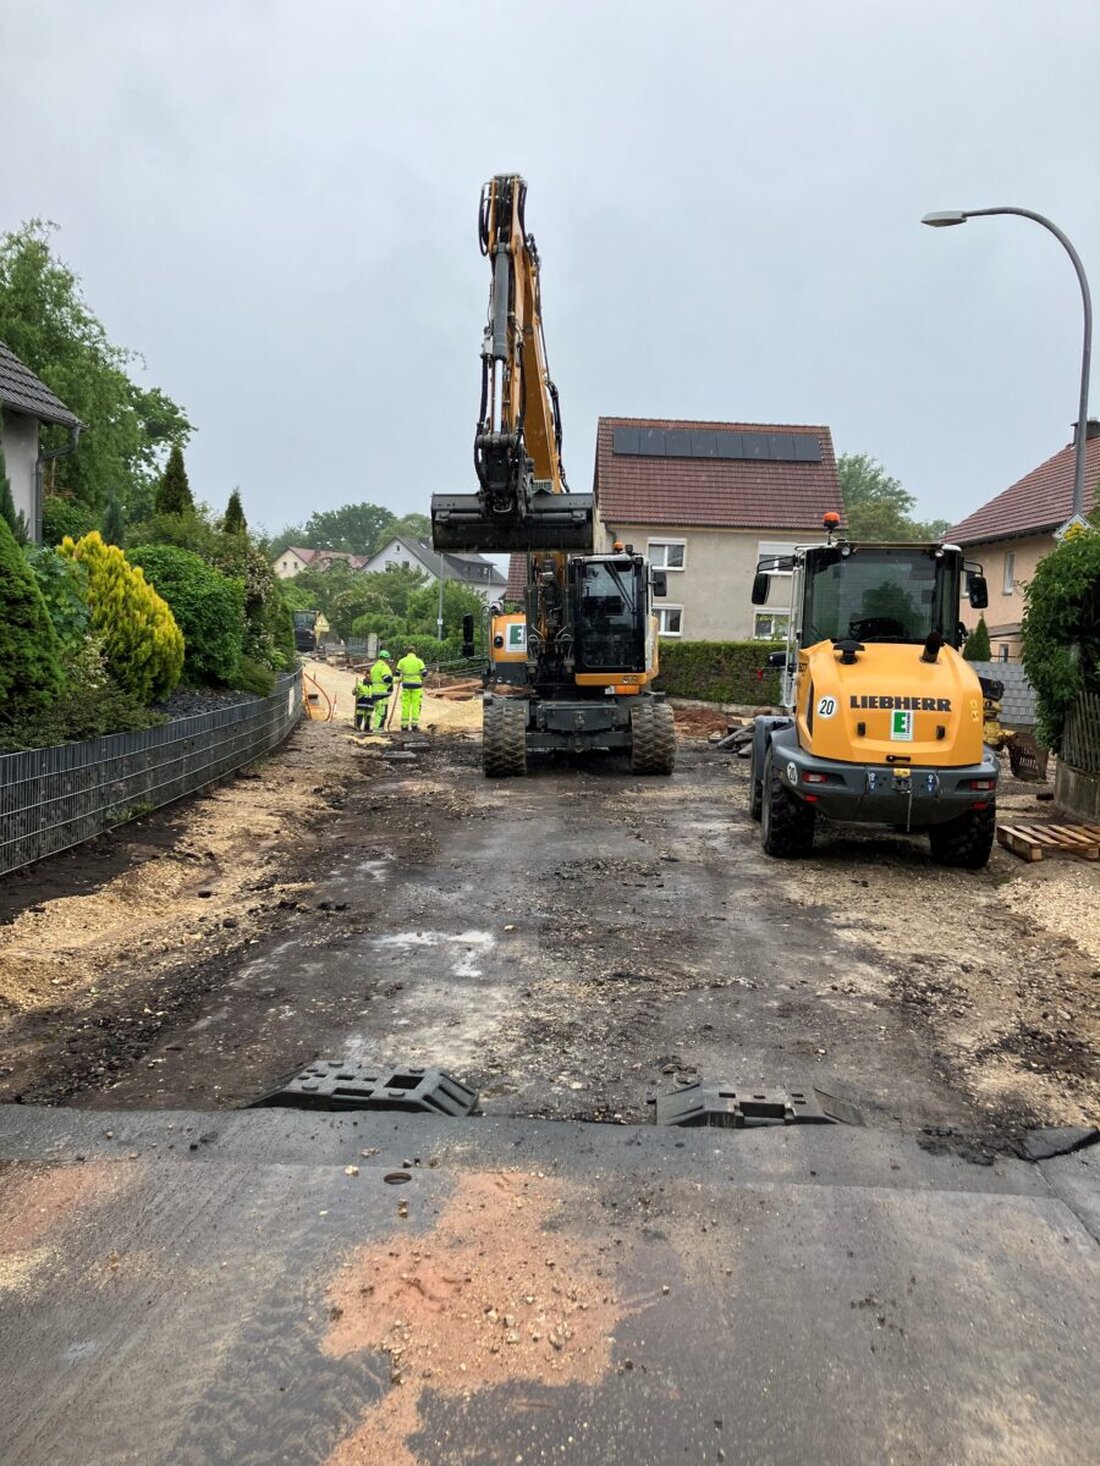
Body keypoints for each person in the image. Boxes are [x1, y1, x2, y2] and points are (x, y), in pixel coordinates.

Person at [396, 644, 427, 731]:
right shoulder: (419, 661)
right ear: (414, 651)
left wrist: (401, 677)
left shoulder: (402, 661)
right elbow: (424, 673)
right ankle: (414, 725)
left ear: (407, 652)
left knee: (405, 705)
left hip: (406, 686)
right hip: (417, 686)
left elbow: (397, 674)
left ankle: (404, 725)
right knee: (415, 705)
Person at [368, 649, 394, 730]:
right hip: (382, 693)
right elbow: (386, 678)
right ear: (386, 658)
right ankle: (378, 729)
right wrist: (395, 679)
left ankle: (377, 728)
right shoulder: (384, 667)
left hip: (375, 692)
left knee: (377, 711)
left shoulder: (374, 667)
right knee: (382, 713)